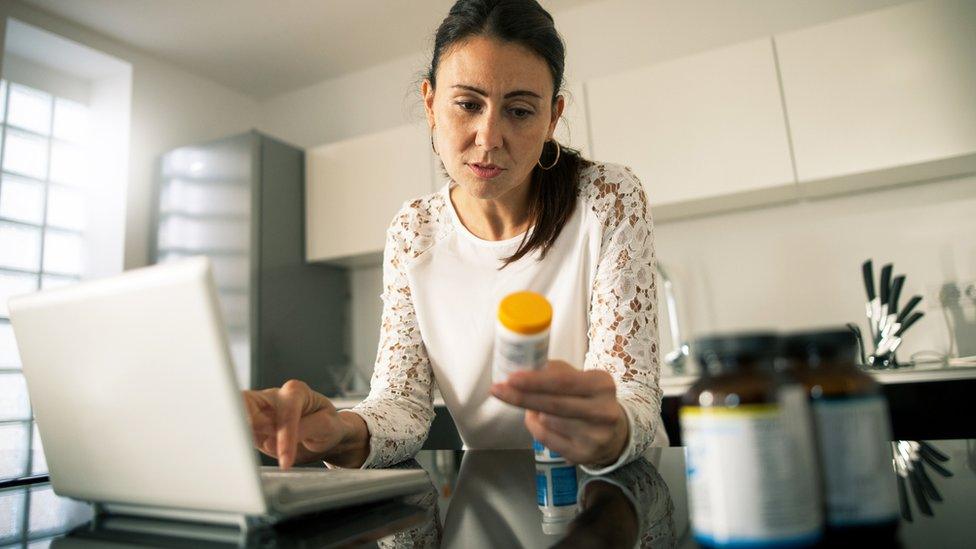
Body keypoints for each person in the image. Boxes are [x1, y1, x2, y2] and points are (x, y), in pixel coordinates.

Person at [242, 0, 667, 475]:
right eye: (467, 104)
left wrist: (614, 430)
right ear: (430, 104)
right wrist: (343, 431)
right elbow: (400, 403)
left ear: (552, 118)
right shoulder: (413, 232)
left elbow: (633, 389)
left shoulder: (607, 199)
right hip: (487, 498)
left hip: (620, 484)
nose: (488, 138)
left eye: (521, 111)